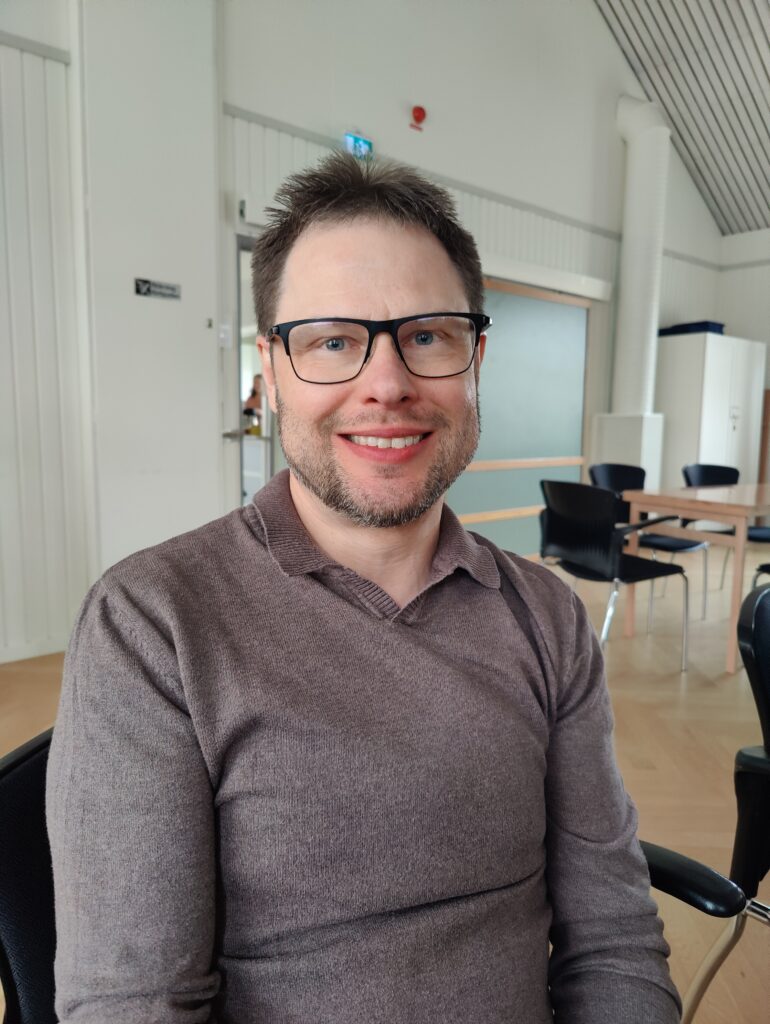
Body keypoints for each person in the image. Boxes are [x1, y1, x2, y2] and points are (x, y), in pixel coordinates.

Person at [46, 153, 681, 1023]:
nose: (386, 385)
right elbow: (134, 1004)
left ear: (475, 360)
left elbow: (612, 940)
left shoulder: (547, 618)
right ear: (271, 373)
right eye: (333, 342)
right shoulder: (153, 622)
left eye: (428, 336)